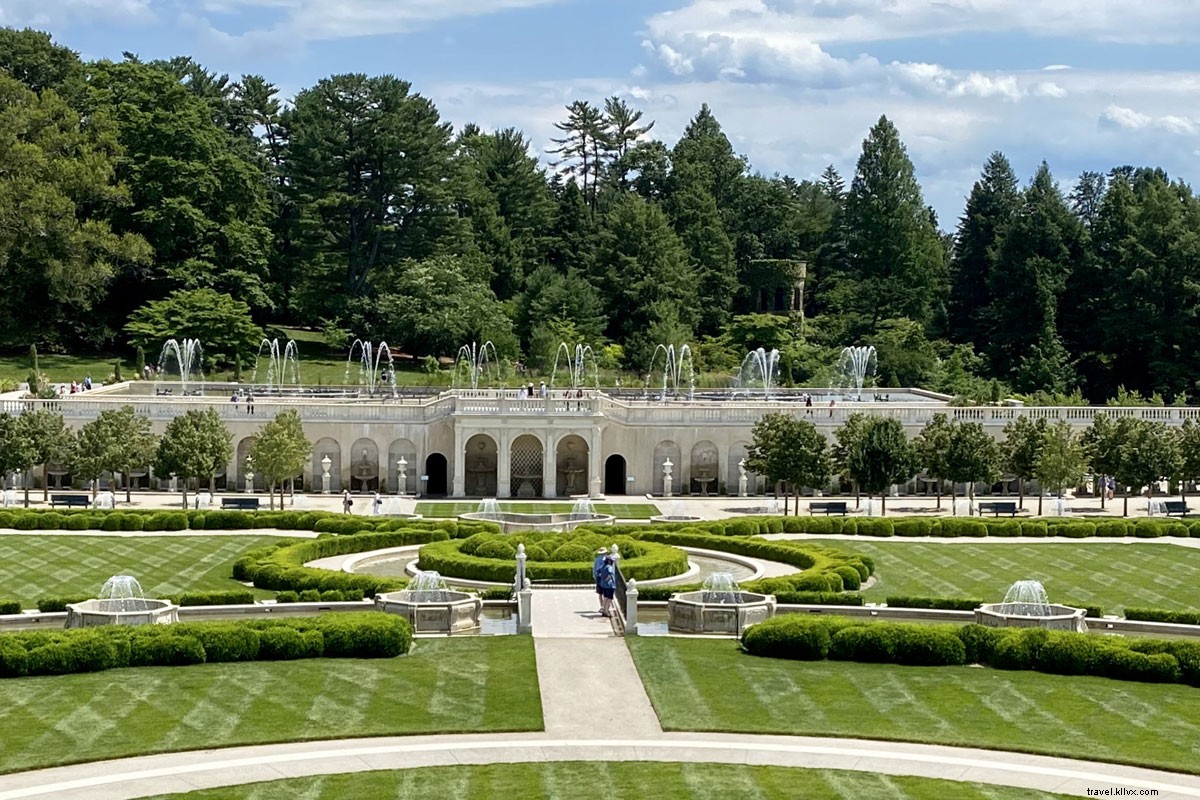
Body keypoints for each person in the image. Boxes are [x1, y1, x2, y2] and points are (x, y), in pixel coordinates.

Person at [593, 547, 608, 612]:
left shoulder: (597, 559)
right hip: (605, 577)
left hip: (598, 577)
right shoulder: (606, 560)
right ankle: (605, 607)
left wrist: (594, 576)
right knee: (605, 593)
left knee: (600, 593)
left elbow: (594, 569)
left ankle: (602, 606)